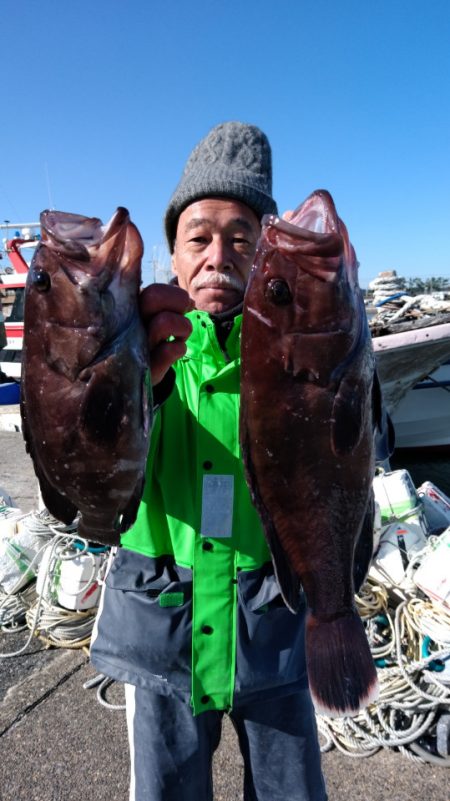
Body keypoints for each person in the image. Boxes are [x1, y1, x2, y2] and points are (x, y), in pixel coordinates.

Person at [90, 121, 328, 801]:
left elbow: (359, 454)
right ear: (172, 253)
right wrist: (146, 387)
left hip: (274, 634)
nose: (219, 254)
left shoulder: (296, 350)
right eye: (199, 237)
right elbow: (95, 471)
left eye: (242, 238)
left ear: (266, 255)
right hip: (159, 634)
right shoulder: (133, 347)